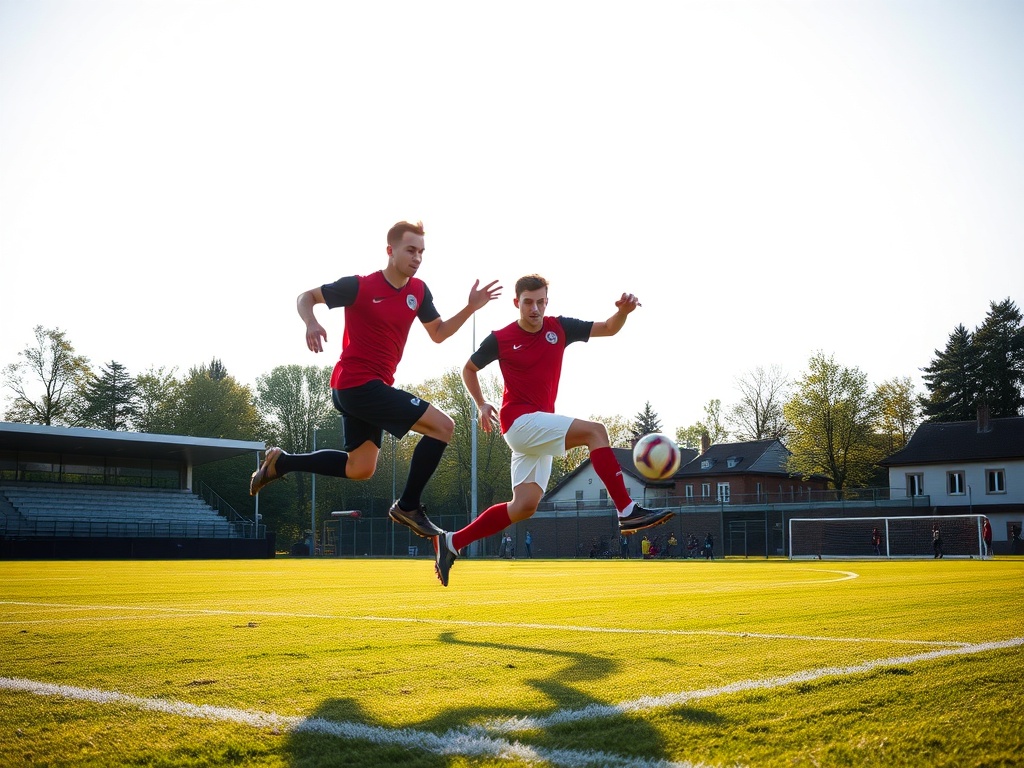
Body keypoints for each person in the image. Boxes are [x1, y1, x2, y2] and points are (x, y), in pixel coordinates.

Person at [248, 220, 502, 542]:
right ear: (390, 251)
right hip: (356, 383)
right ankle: (408, 506)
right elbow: (305, 297)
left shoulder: (419, 291)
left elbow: (438, 334)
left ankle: (282, 462)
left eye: (421, 252)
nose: (417, 257)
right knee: (444, 426)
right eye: (410, 250)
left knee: (360, 468)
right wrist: (311, 322)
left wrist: (470, 307)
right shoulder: (360, 286)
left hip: (362, 389)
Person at [433, 274, 674, 586]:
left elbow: (609, 328)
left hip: (536, 428)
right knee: (596, 432)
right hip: (519, 422)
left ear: (547, 301)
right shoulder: (501, 337)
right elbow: (469, 368)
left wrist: (623, 313)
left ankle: (451, 542)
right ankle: (627, 510)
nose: (535, 308)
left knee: (523, 507)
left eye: (541, 302)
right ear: (516, 303)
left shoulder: (560, 327)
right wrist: (481, 403)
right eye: (529, 302)